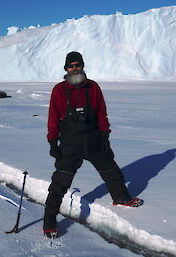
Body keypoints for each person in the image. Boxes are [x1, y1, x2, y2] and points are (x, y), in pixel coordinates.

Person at [43, 51, 143, 239]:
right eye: (71, 66)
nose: (75, 69)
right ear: (66, 69)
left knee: (111, 170)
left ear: (82, 66)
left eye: (78, 65)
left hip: (93, 139)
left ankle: (121, 197)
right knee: (60, 183)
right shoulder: (59, 90)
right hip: (70, 144)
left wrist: (105, 135)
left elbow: (101, 113)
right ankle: (49, 222)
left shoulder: (93, 87)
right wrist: (52, 141)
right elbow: (53, 118)